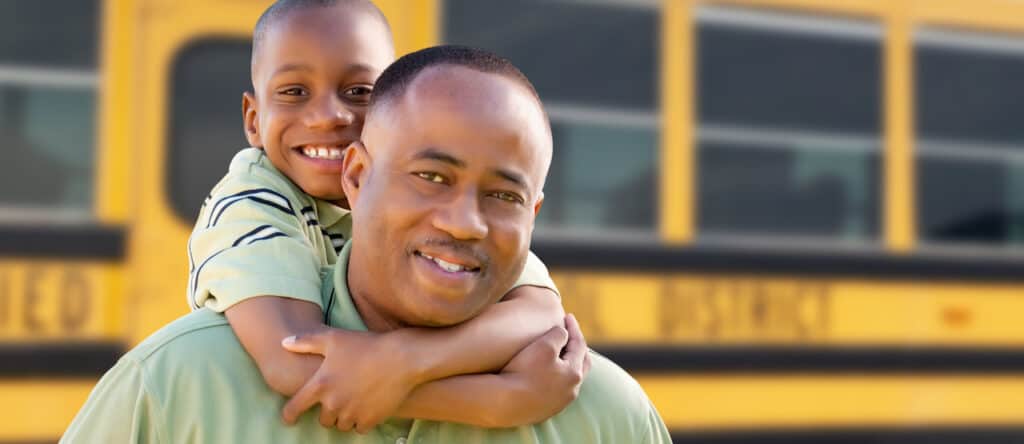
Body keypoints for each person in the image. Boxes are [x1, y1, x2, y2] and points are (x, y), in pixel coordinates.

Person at [61, 45, 671, 444]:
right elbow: (293, 365)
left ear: (534, 215)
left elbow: (541, 306)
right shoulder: (176, 388)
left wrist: (403, 370)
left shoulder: (603, 415)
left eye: (503, 196)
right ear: (355, 177)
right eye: (431, 177)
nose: (465, 223)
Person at [186, 0, 572, 430]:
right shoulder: (250, 203)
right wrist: (499, 403)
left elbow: (539, 312)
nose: (330, 115)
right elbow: (294, 363)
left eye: (359, 93)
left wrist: (405, 359)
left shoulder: (418, 201)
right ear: (254, 120)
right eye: (295, 92)